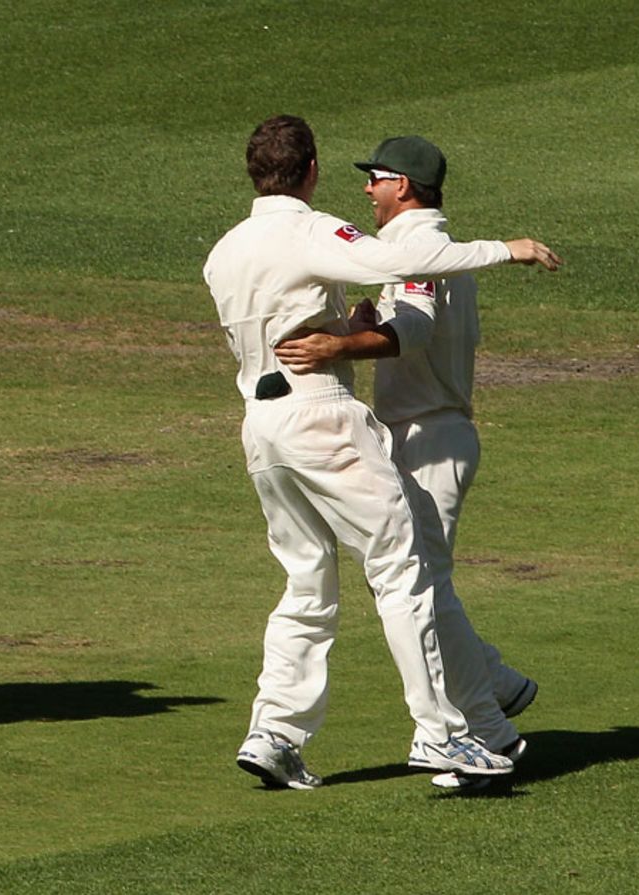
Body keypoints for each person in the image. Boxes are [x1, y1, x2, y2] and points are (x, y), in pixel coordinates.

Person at [201, 115, 561, 789]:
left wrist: (344, 329)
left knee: (308, 578)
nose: (362, 191)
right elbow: (399, 264)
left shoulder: (223, 249)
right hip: (321, 416)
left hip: (262, 426)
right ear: (309, 170)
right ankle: (446, 734)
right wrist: (504, 248)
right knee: (406, 569)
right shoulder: (313, 230)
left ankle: (275, 730)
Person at [272, 135, 539, 772]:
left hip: (431, 434)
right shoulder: (419, 247)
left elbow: (413, 332)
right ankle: (495, 684)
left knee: (420, 582)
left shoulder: (413, 247)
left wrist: (338, 348)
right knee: (414, 580)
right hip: (417, 432)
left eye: (377, 178)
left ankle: (491, 726)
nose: (366, 188)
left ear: (406, 187)